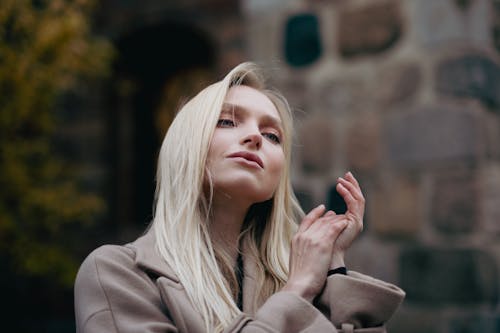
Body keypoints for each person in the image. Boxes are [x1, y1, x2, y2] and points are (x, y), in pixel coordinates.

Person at [74, 62, 405, 333]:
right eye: (227, 121)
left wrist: (332, 268)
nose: (254, 137)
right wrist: (298, 290)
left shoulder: (300, 273)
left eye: (272, 135)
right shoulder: (117, 274)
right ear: (187, 146)